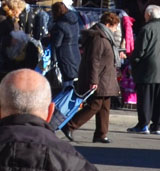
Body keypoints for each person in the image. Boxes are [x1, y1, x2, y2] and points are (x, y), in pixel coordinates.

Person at [62, 12, 122, 143]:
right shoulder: (99, 38)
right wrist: (93, 81)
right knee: (95, 105)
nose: (116, 29)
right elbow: (93, 60)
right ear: (108, 24)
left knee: (104, 106)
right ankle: (70, 125)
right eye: (114, 26)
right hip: (99, 78)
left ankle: (101, 134)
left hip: (105, 77)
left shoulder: (105, 36)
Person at [0, 0, 29, 101]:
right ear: (14, 9)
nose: (21, 12)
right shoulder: (2, 19)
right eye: (20, 10)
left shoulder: (9, 19)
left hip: (4, 55)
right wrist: (10, 40)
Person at [127, 4, 160, 133]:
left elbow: (140, 51)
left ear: (148, 15)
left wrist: (133, 63)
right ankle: (157, 126)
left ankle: (143, 124)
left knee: (145, 98)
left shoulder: (146, 29)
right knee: (158, 99)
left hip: (147, 69)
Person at [50, 2, 81, 86]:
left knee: (67, 83)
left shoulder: (60, 25)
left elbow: (57, 43)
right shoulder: (75, 21)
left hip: (64, 55)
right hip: (75, 53)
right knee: (75, 81)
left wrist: (49, 38)